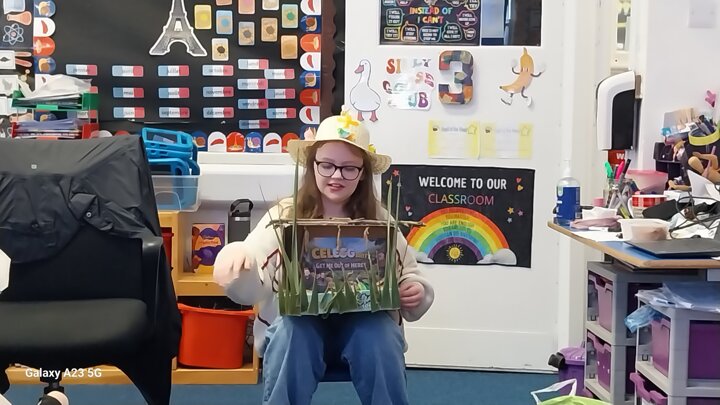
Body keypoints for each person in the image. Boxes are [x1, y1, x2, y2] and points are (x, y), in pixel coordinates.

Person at [213, 110, 434, 405]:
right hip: (300, 330)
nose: (336, 176)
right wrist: (239, 262)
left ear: (363, 173)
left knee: (380, 334)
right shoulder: (286, 215)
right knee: (293, 332)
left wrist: (414, 291)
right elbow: (256, 258)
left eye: (349, 168)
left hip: (363, 326)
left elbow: (407, 271)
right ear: (312, 165)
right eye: (327, 165)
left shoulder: (379, 219)